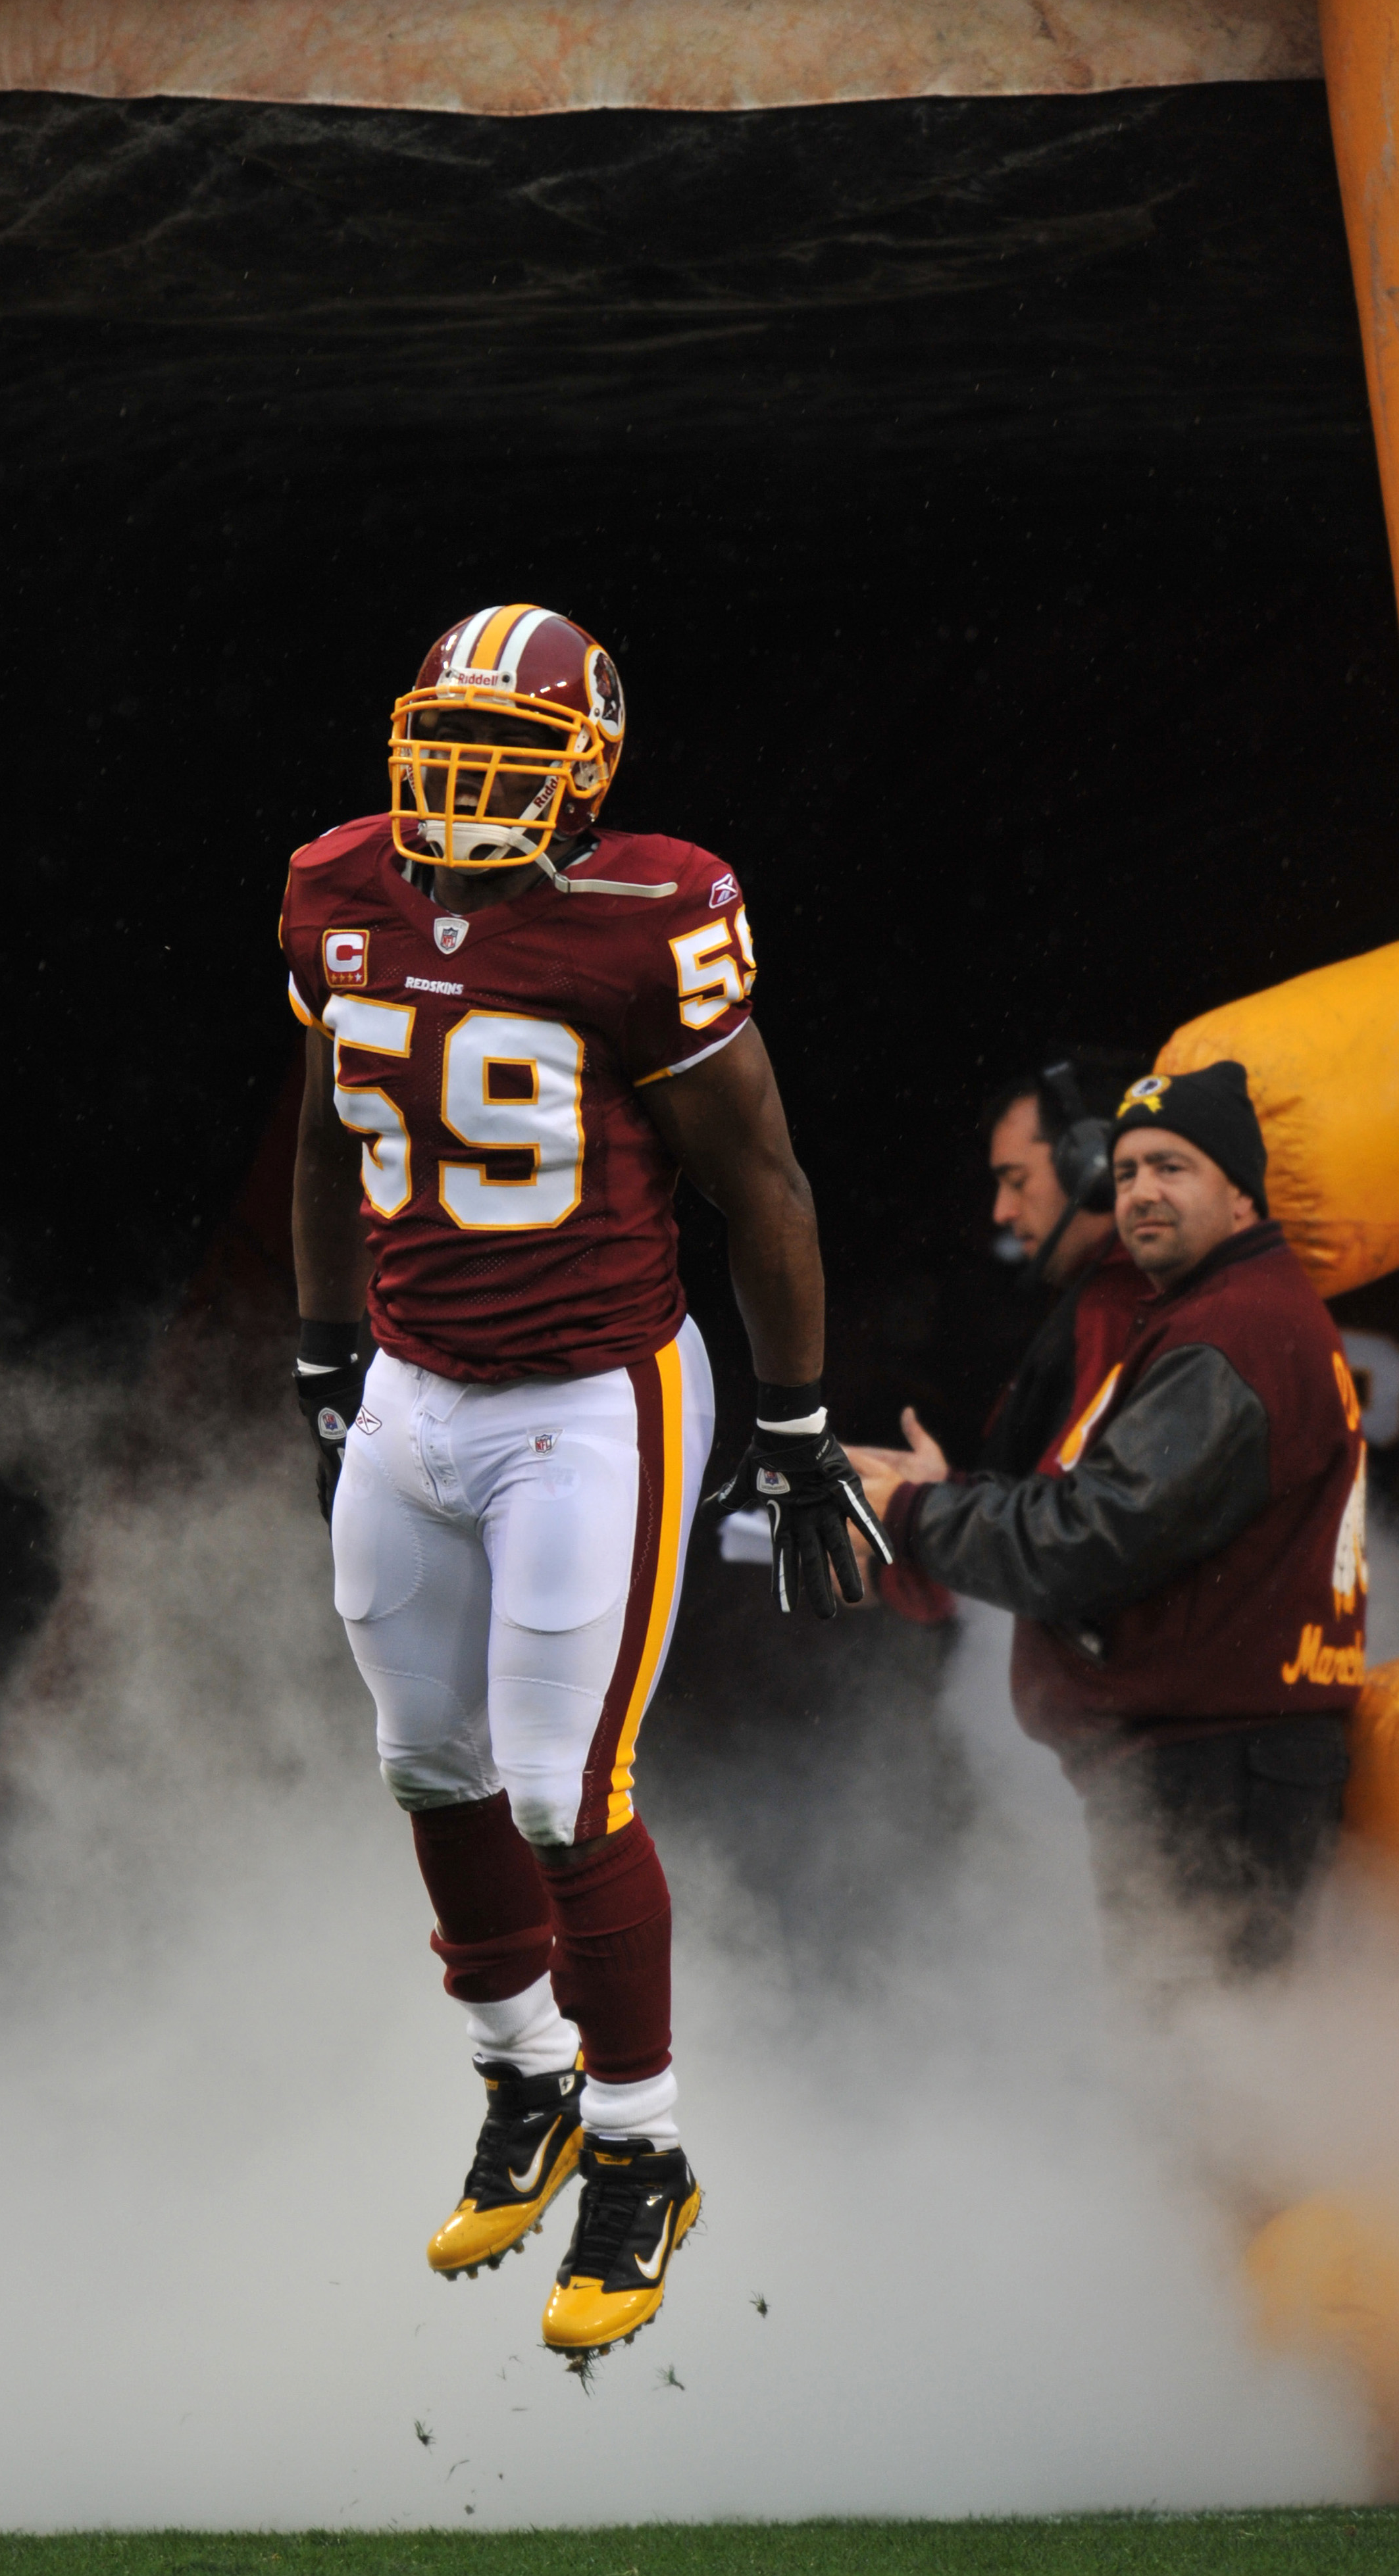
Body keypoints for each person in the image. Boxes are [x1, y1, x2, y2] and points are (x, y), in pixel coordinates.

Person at [282, 603, 886, 2364]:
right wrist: (326, 1357)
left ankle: (641, 2150)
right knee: (422, 1758)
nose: (466, 789)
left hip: (592, 1391)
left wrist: (792, 1418)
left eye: (512, 756)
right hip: (415, 1374)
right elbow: (330, 1133)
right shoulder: (334, 885)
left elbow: (761, 1178)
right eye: (445, 747)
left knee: (561, 1782)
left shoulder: (655, 910)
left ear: (592, 771)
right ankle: (524, 2082)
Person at [852, 1062, 1368, 1991]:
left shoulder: (1231, 1332)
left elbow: (1086, 1540)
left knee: (1204, 2091)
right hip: (1215, 1766)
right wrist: (941, 1500)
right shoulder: (1219, 1319)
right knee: (1199, 2077)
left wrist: (913, 1509)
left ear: (1241, 1189)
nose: (1140, 1194)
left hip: (1218, 1772)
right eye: (1126, 1173)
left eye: (1171, 1167)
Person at [873, 1054, 1147, 1623]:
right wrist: (935, 1492)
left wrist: (897, 1553)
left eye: (1016, 1181)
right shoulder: (1103, 1298)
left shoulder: (1118, 1310)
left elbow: (1054, 1546)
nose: (1001, 1210)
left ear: (1093, 1167)